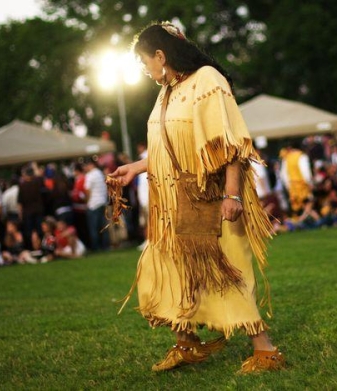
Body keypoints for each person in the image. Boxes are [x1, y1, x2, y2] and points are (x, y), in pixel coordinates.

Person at [109, 22, 284, 373]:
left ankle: (265, 349)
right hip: (173, 205)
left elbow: (231, 144)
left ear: (161, 55)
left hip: (210, 198)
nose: (145, 71)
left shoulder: (207, 81)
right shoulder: (168, 91)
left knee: (228, 271)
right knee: (172, 272)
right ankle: (186, 342)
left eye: (146, 63)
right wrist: (137, 166)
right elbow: (170, 145)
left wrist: (232, 194)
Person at [279, 142, 313, 216]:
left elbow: (283, 174)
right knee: (308, 204)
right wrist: (310, 183)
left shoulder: (286, 158)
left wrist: (288, 186)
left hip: (292, 186)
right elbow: (305, 172)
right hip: (302, 185)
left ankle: (299, 220)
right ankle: (313, 220)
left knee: (297, 206)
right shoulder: (302, 156)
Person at [83, 160, 109, 251]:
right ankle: (105, 245)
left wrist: (86, 202)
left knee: (93, 228)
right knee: (103, 226)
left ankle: (96, 247)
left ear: (90, 165)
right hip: (102, 202)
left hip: (93, 204)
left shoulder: (89, 175)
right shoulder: (100, 174)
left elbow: (87, 191)